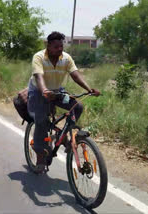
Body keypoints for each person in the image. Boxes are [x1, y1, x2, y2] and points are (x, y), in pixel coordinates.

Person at [27, 31, 100, 173]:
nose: (60, 49)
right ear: (48, 46)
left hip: (57, 90)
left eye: (61, 46)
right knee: (41, 120)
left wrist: (89, 89)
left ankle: (64, 136)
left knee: (77, 106)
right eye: (56, 47)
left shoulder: (66, 58)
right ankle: (40, 155)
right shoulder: (39, 57)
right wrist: (44, 91)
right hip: (38, 91)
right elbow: (39, 77)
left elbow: (75, 75)